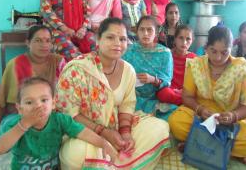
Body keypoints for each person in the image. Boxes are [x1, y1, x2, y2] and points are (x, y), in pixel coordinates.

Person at [55, 18, 170, 169]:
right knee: (77, 154)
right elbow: (69, 115)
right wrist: (103, 132)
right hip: (84, 131)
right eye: (110, 37)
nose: (117, 43)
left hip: (115, 127)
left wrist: (125, 133)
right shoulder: (77, 69)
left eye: (122, 39)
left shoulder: (128, 70)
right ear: (98, 39)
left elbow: (127, 106)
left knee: (159, 128)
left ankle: (117, 162)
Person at [169, 26, 246, 163]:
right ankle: (228, 150)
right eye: (213, 51)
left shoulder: (242, 68)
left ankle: (200, 144)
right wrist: (200, 109)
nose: (218, 57)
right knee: (176, 122)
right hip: (204, 118)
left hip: (234, 121)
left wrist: (233, 116)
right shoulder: (196, 65)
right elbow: (187, 97)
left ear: (231, 49)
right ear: (206, 47)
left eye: (224, 52)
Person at [0, 77, 115, 170]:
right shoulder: (13, 125)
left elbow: (82, 133)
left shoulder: (60, 120)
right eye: (29, 102)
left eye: (44, 100)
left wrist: (103, 143)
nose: (38, 106)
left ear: (53, 104)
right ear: (19, 108)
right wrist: (23, 125)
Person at [0, 25, 65, 133]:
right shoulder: (16, 64)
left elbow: (66, 94)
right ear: (28, 43)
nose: (44, 45)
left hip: (52, 113)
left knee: (65, 126)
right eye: (38, 40)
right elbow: (5, 102)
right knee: (11, 128)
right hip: (21, 115)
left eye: (47, 41)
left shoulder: (59, 62)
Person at [123, 15, 176, 120]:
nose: (145, 33)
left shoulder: (165, 53)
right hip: (131, 97)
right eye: (142, 30)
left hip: (155, 99)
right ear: (137, 32)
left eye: (149, 30)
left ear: (156, 33)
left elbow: (167, 81)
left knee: (173, 115)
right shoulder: (129, 51)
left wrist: (153, 80)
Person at [157, 25, 197, 105]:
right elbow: (161, 78)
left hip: (186, 92)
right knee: (163, 93)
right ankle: (185, 102)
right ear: (175, 39)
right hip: (170, 90)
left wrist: (185, 92)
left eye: (188, 39)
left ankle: (185, 101)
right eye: (181, 38)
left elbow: (196, 82)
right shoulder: (167, 54)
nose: (184, 42)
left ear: (192, 41)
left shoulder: (194, 58)